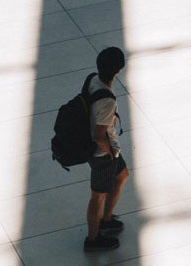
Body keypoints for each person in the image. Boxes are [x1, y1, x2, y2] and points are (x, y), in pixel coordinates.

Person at [84, 47, 128, 252]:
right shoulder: (107, 101)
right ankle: (93, 240)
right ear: (118, 71)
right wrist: (109, 152)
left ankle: (106, 219)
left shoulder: (93, 80)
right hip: (103, 154)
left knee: (122, 175)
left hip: (110, 150)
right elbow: (98, 136)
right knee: (97, 196)